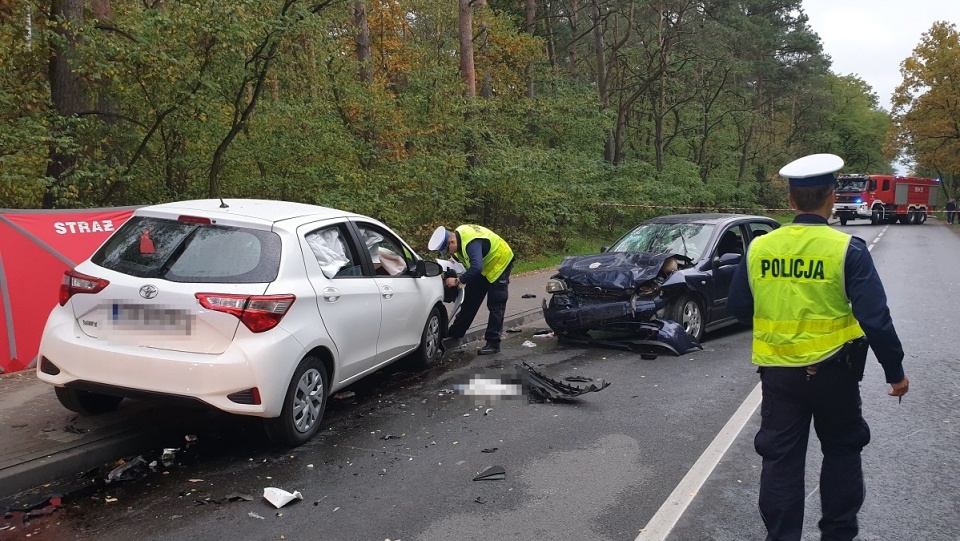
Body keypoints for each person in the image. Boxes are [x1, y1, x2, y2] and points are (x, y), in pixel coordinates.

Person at [727, 153, 910, 541]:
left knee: (780, 461)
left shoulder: (760, 247)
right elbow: (876, 319)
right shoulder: (847, 250)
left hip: (779, 376)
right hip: (836, 375)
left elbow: (741, 308)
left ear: (791, 202)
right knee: (843, 452)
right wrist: (895, 373)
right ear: (831, 197)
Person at [429, 224, 515, 355]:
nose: (449, 253)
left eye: (448, 250)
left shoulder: (471, 243)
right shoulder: (458, 238)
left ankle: (493, 343)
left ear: (451, 241)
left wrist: (458, 281)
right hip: (483, 265)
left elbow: (476, 268)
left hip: (499, 262)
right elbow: (471, 263)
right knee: (470, 299)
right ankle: (456, 332)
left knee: (496, 303)